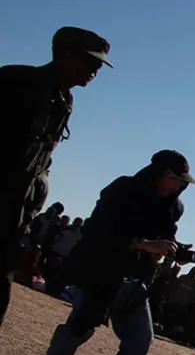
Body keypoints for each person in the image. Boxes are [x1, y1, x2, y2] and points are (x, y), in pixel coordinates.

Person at [0, 150, 194, 355]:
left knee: (140, 339)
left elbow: (165, 236)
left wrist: (173, 250)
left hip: (134, 282)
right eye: (177, 178)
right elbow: (99, 229)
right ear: (163, 174)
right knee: (77, 331)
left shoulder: (174, 208)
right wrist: (141, 243)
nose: (181, 185)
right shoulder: (123, 189)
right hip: (99, 273)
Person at [0, 27, 111, 329]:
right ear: (65, 55)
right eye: (91, 61)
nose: (96, 69)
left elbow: (39, 161)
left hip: (13, 215)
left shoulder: (63, 101)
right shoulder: (16, 83)